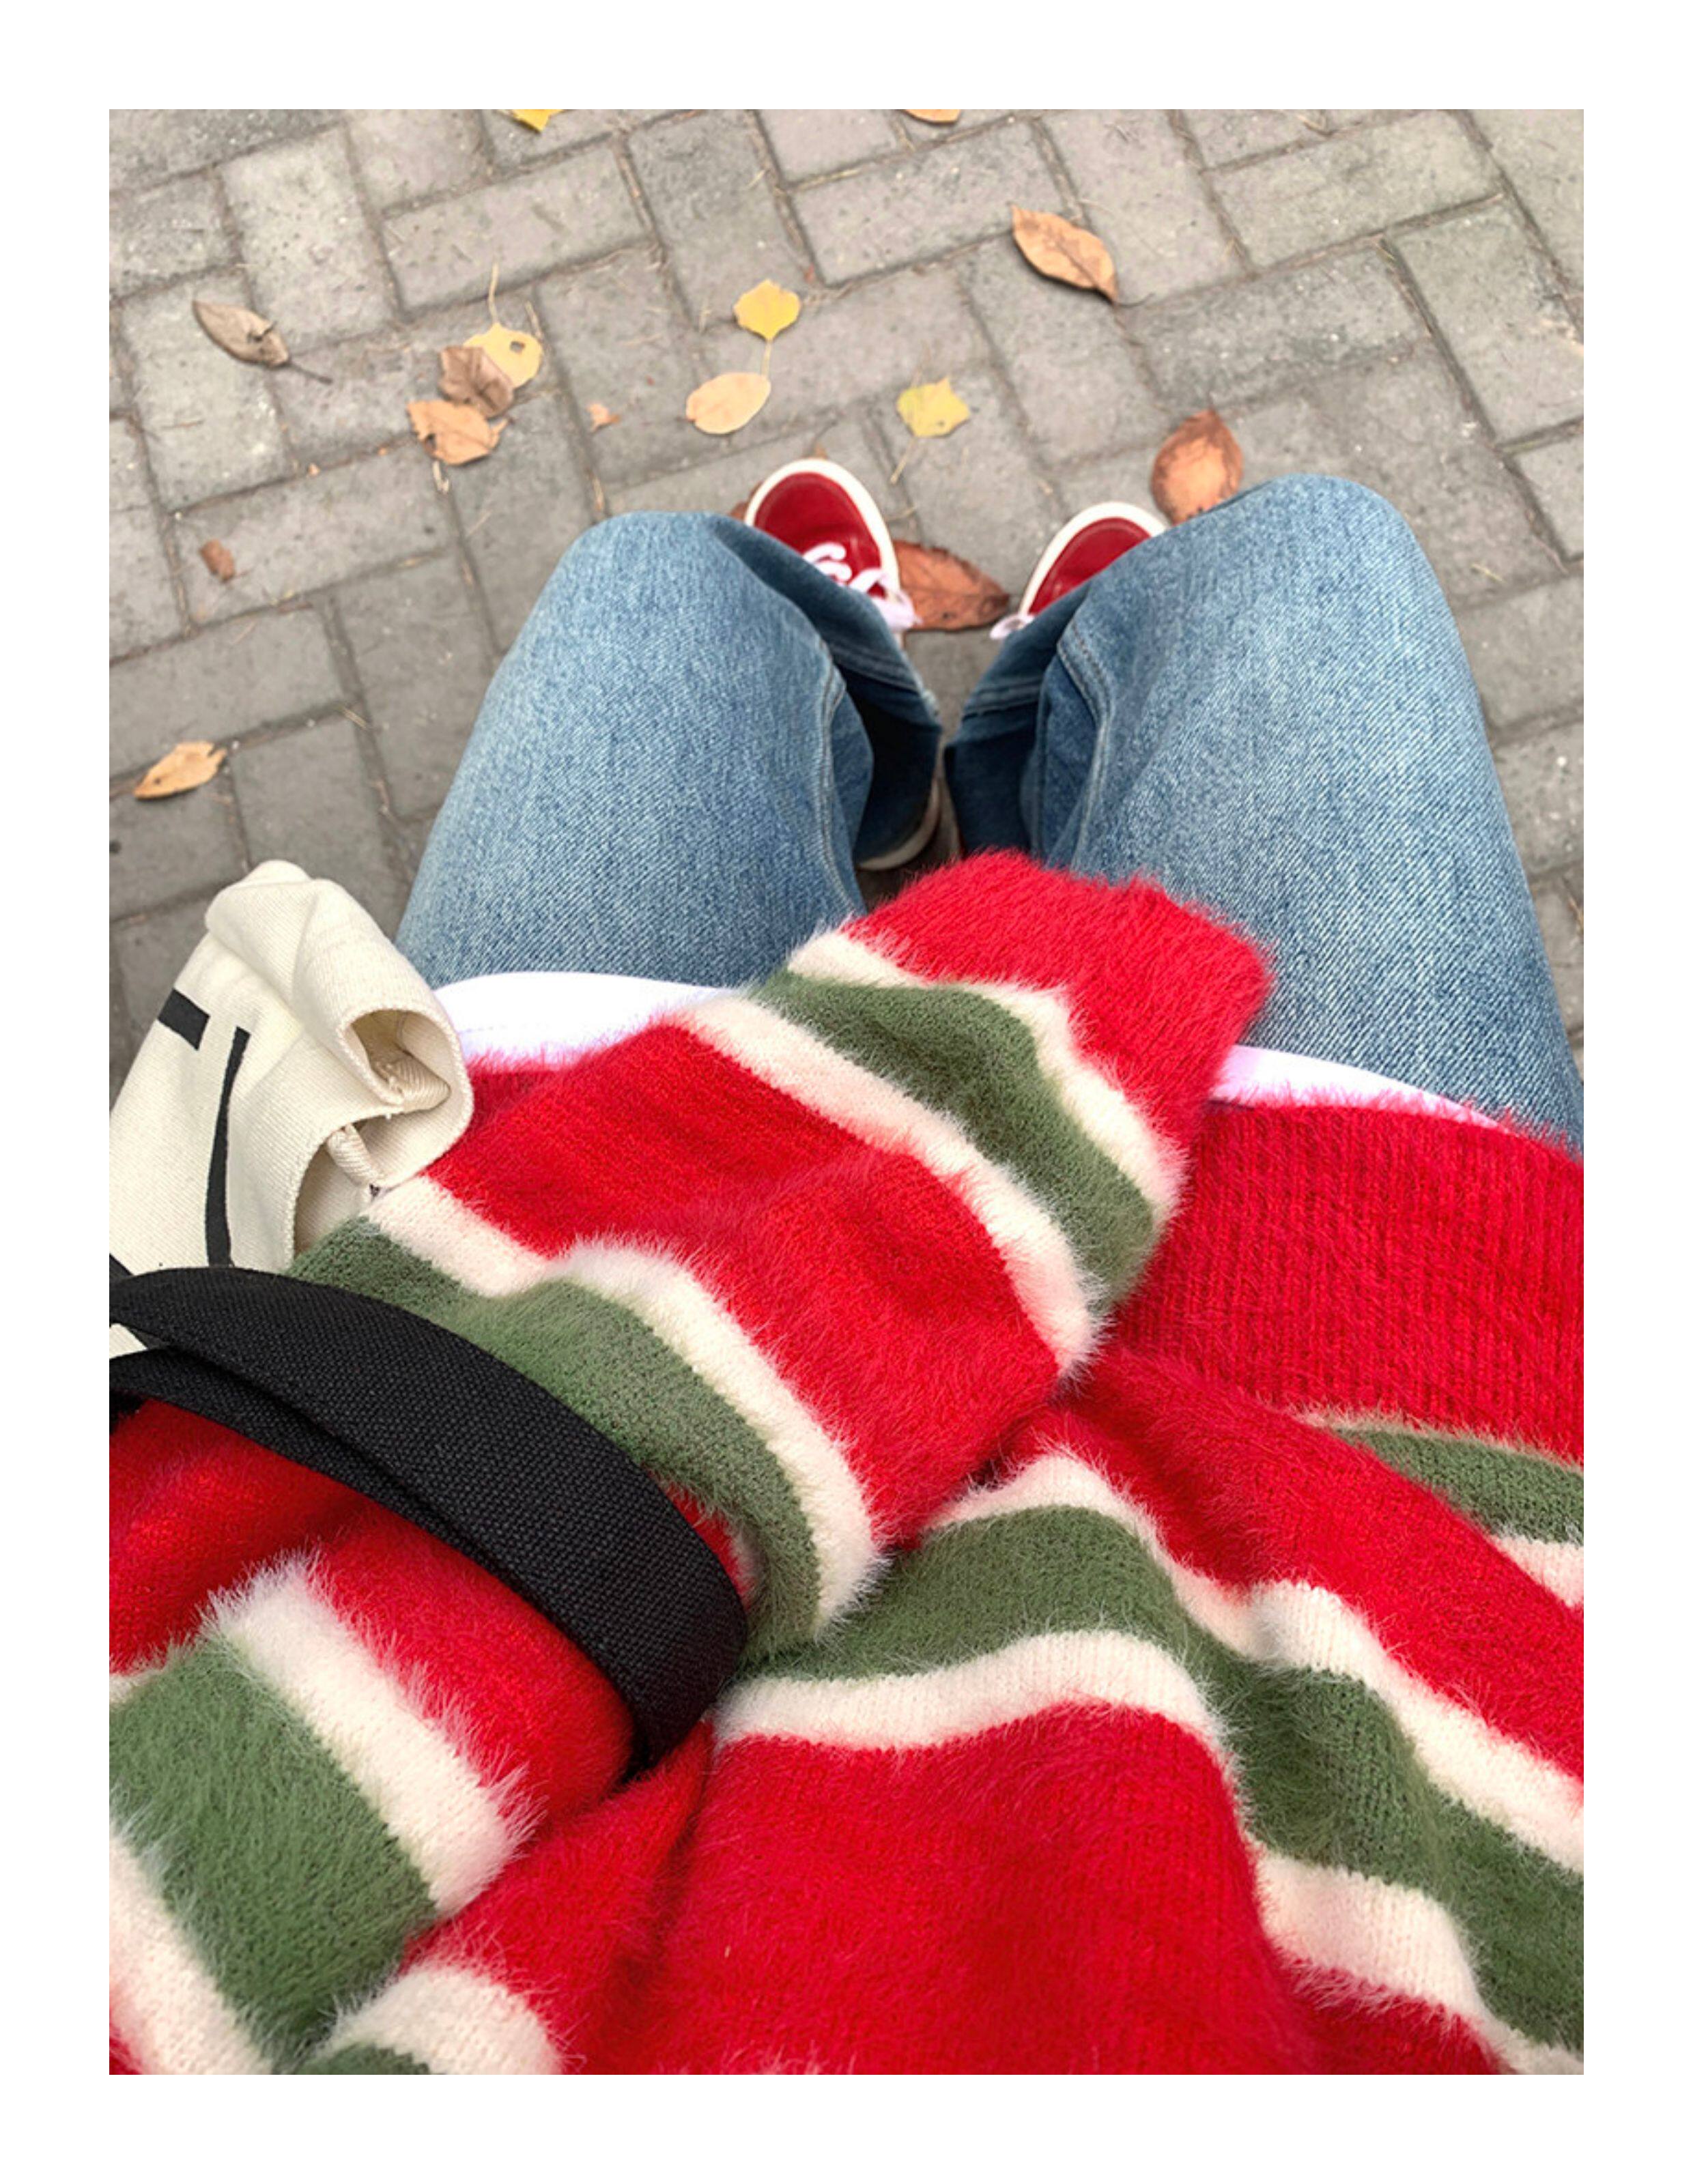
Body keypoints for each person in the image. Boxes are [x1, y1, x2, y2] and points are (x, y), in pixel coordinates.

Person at [110, 463, 1582, 2075]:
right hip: (1395, 1499)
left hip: (536, 1398)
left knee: (662, 586)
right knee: (1304, 560)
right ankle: (1025, 769)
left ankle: (930, 788)